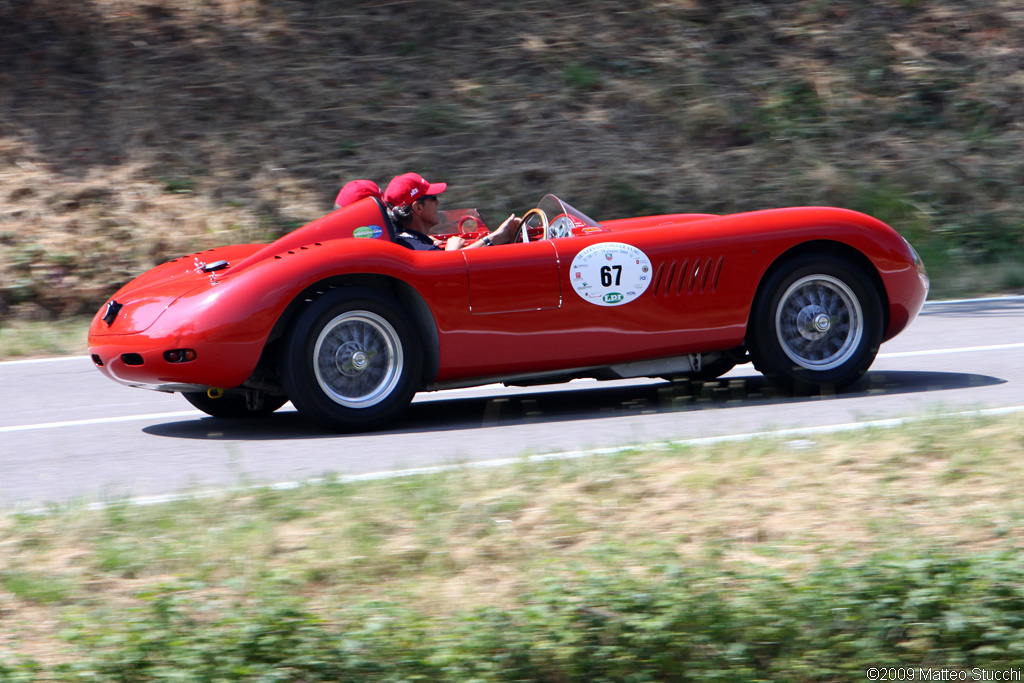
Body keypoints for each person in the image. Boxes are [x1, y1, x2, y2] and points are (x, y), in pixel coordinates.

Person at [383, 172, 521, 251]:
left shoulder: (403, 240)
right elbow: (448, 269)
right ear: (418, 207)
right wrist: (496, 237)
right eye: (433, 198)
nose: (438, 202)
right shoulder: (420, 249)